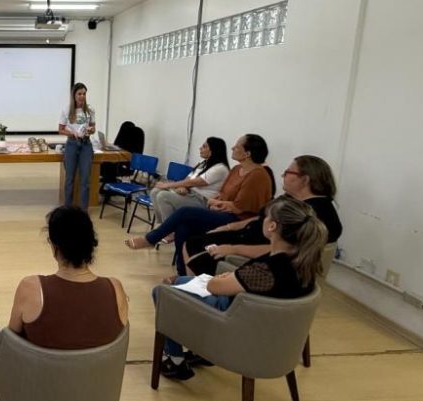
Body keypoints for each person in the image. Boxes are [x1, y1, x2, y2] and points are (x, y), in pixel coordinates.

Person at [155, 196, 327, 381]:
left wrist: (224, 279)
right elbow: (245, 281)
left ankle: (175, 359)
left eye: (266, 217)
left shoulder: (268, 270)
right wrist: (231, 278)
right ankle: (201, 351)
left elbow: (215, 286)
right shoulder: (303, 261)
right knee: (181, 280)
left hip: (235, 323)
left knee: (162, 292)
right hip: (261, 324)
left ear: (272, 227)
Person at [125, 134, 274, 271]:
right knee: (183, 227)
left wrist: (217, 203)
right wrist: (216, 201)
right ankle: (182, 272)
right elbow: (222, 193)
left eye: (237, 146)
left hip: (238, 220)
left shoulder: (257, 175)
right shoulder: (236, 169)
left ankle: (151, 238)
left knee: (183, 212)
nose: (233, 148)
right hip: (219, 210)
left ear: (248, 154)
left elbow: (240, 208)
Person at [182, 155, 342, 277]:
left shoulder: (315, 213)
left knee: (195, 244)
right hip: (246, 236)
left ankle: (198, 292)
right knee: (192, 240)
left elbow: (286, 251)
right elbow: (261, 218)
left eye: (288, 172)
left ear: (305, 179)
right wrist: (229, 227)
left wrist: (233, 248)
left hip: (255, 252)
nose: (282, 176)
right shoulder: (292, 199)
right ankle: (189, 286)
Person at [9, 206, 128, 349]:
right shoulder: (116, 289)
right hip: (98, 371)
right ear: (91, 245)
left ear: (55, 248)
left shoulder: (30, 288)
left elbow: (10, 343)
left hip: (41, 371)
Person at [149, 137, 230, 223]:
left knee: (163, 196)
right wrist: (184, 187)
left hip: (203, 201)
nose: (200, 148)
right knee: (155, 191)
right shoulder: (203, 163)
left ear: (212, 150)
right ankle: (163, 226)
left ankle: (168, 231)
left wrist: (167, 185)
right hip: (191, 194)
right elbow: (188, 179)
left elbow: (195, 182)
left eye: (204, 146)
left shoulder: (220, 168)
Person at [59, 82, 96, 207]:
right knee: (69, 179)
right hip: (72, 145)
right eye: (79, 93)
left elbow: (93, 128)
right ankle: (67, 209)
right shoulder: (66, 109)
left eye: (84, 94)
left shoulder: (90, 110)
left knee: (85, 180)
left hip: (86, 145)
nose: (82, 96)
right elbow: (61, 129)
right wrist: (71, 133)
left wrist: (91, 130)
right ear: (74, 95)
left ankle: (83, 211)